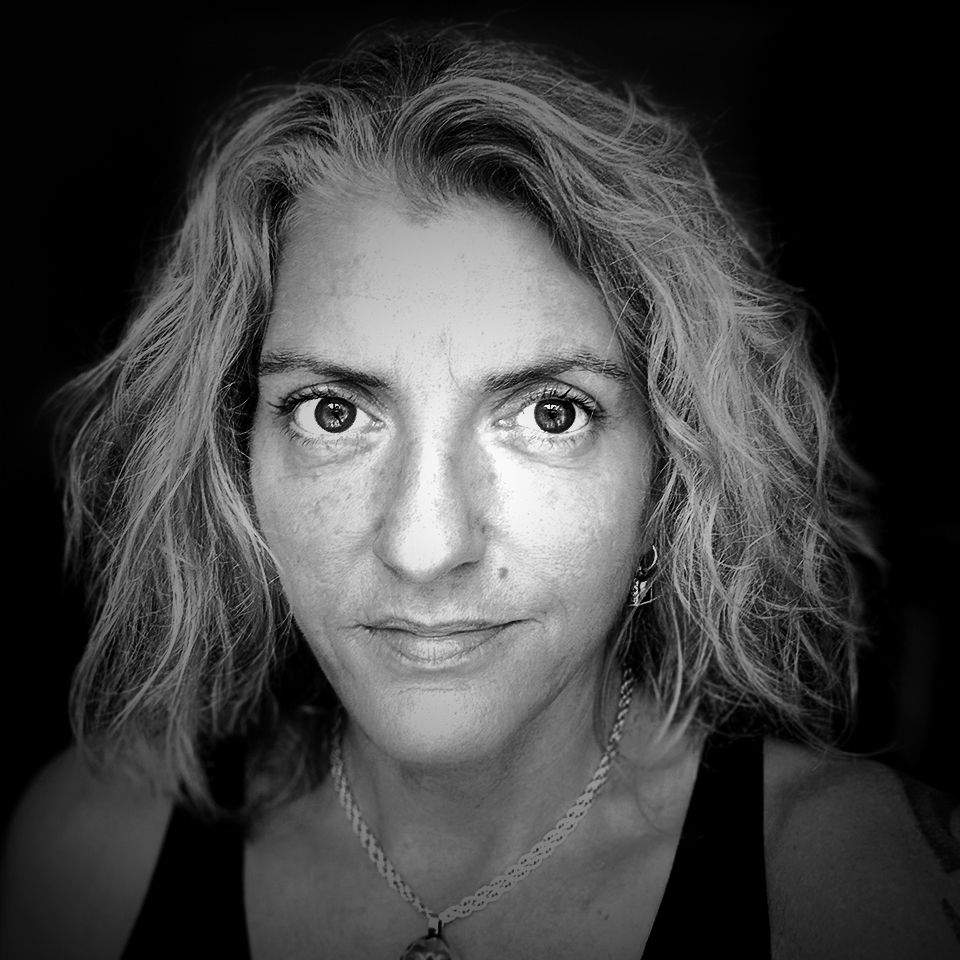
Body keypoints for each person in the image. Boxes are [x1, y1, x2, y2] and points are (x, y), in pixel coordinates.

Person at [1, 24, 957, 960]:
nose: (425, 547)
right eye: (333, 413)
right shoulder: (91, 855)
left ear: (670, 476)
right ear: (235, 458)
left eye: (549, 414)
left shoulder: (859, 882)